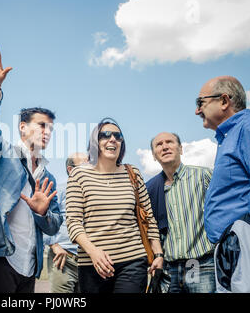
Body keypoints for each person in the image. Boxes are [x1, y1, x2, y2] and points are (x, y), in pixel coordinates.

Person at [0, 44, 63, 293]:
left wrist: (43, 213)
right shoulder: (2, 155)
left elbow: (54, 226)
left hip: (30, 267)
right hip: (1, 258)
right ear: (22, 127)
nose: (47, 132)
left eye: (50, 129)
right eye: (41, 126)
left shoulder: (48, 177)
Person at [66, 117, 163, 293]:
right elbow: (73, 222)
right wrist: (93, 252)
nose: (113, 139)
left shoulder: (132, 173)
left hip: (133, 262)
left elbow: (148, 217)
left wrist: (158, 254)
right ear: (95, 142)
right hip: (93, 266)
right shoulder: (79, 175)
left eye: (118, 136)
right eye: (105, 135)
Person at [195, 76, 250, 292]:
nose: (197, 111)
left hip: (248, 249)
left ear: (224, 101)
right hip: (233, 250)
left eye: (200, 103)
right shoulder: (228, 138)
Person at [146, 132, 215, 293]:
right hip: (170, 270)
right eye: (159, 144)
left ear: (181, 149)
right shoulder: (151, 188)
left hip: (201, 264)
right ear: (154, 156)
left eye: (169, 142)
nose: (164, 147)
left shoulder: (203, 175)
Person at [43, 152, 88, 293]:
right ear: (71, 170)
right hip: (64, 258)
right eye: (85, 165)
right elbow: (44, 218)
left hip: (88, 261)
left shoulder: (94, 193)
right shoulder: (59, 190)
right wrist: (54, 245)